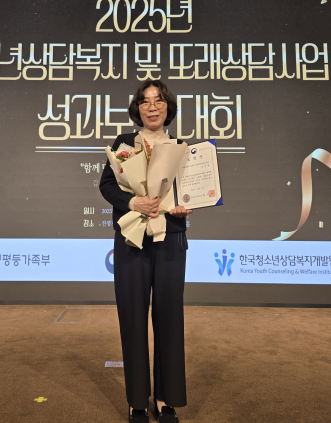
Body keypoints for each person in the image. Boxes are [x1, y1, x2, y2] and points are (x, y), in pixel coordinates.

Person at [99, 80, 191, 423]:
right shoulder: (124, 144)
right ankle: (137, 400)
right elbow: (107, 184)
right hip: (131, 241)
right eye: (145, 101)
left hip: (170, 239)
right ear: (137, 109)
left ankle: (166, 399)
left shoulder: (183, 148)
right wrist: (132, 202)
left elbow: (191, 191)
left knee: (169, 318)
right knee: (132, 317)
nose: (152, 107)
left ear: (168, 107)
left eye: (159, 100)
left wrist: (183, 206)